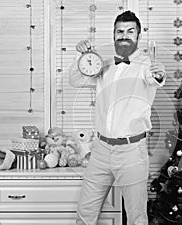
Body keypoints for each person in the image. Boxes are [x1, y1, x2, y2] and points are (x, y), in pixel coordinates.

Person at [69, 10, 166, 225]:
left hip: (132, 151)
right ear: (113, 35)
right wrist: (81, 56)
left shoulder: (146, 65)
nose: (124, 35)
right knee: (85, 214)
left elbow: (155, 78)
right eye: (119, 31)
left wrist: (159, 73)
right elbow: (75, 80)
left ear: (138, 36)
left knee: (136, 217)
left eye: (130, 31)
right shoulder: (103, 64)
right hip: (100, 150)